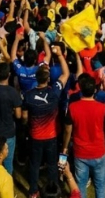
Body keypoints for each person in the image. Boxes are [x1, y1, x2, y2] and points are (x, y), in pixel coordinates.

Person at [22, 43, 70, 198]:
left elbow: (24, 117)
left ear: (36, 78)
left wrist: (28, 125)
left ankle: (33, 192)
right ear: (48, 79)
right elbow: (66, 74)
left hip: (35, 136)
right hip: (51, 136)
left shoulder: (28, 95)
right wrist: (60, 55)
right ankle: (53, 190)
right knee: (51, 164)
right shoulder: (54, 91)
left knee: (35, 164)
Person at [63, 74, 105, 198]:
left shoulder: (73, 107)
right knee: (100, 185)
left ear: (81, 89)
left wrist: (65, 147)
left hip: (81, 152)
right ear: (95, 90)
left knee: (81, 184)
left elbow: (68, 130)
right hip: (99, 151)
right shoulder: (103, 108)